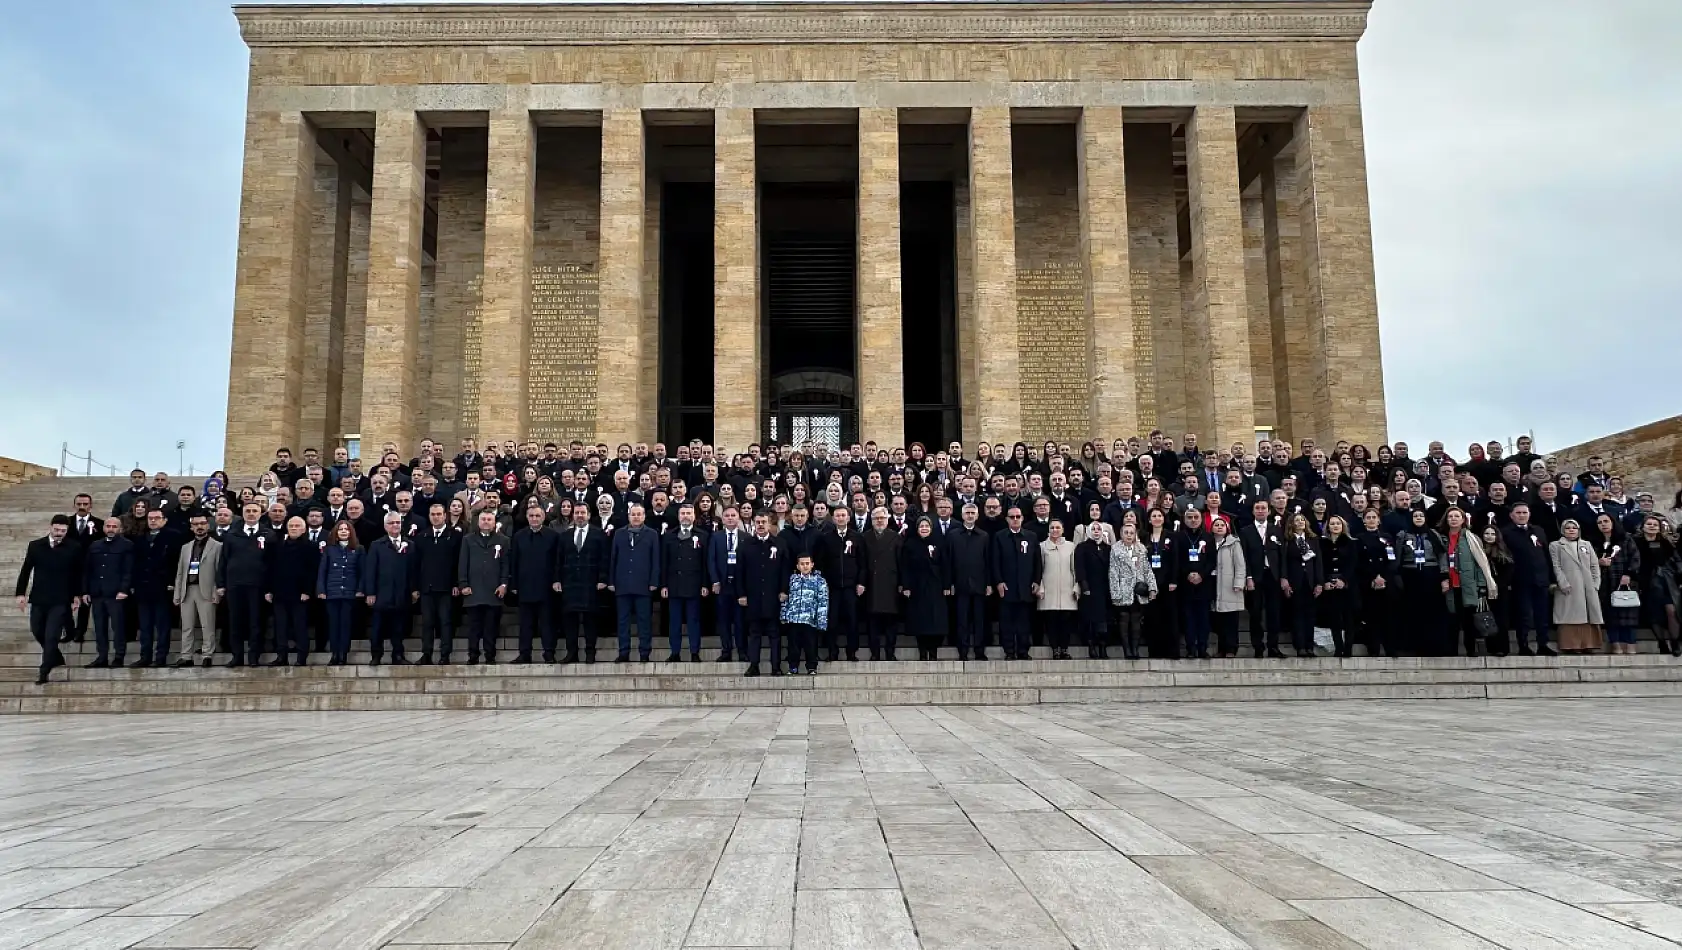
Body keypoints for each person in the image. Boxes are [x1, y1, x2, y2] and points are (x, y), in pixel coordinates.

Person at [216, 502, 270, 668]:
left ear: (261, 514)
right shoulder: (232, 535)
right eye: (248, 511)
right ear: (243, 514)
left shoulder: (269, 534)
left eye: (255, 511)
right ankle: (237, 656)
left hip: (258, 586)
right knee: (235, 622)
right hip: (235, 585)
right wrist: (221, 584)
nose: (252, 514)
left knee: (256, 622)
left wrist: (269, 587)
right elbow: (223, 561)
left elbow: (272, 563)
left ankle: (254, 656)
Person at [811, 506, 867, 662]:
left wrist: (861, 582)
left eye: (843, 515)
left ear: (848, 518)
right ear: (833, 518)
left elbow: (863, 563)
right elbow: (821, 563)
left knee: (852, 621)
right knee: (832, 621)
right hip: (832, 587)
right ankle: (832, 651)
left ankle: (851, 652)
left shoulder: (857, 537)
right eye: (838, 516)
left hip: (851, 587)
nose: (841, 518)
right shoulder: (826, 538)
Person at [509, 505, 562, 663]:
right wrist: (514, 584)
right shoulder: (519, 536)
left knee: (547, 623)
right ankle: (525, 653)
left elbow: (557, 561)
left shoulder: (553, 536)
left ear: (543, 517)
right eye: (531, 516)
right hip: (525, 587)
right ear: (527, 517)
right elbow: (514, 561)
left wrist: (556, 580)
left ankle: (549, 652)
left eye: (537, 516)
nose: (534, 519)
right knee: (525, 624)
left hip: (546, 587)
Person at [608, 504, 661, 663]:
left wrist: (654, 581)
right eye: (633, 514)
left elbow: (655, 559)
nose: (636, 517)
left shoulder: (652, 534)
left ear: (644, 516)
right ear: (629, 516)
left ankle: (644, 652)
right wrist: (611, 580)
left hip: (643, 584)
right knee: (623, 621)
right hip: (622, 584)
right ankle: (623, 652)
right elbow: (613, 558)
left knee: (644, 620)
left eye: (639, 514)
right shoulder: (619, 534)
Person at [1502, 502, 1556, 656]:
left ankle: (1543, 644)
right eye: (1518, 513)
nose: (1521, 515)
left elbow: (1546, 554)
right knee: (1524, 615)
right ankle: (1523, 645)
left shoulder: (1538, 530)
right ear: (1512, 515)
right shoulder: (1506, 533)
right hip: (1520, 580)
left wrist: (1551, 578)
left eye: (1524, 512)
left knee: (1542, 614)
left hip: (1541, 579)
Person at [557, 503, 609, 663]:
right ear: (573, 515)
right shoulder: (565, 536)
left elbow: (605, 558)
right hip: (570, 583)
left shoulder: (599, 534)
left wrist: (603, 579)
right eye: (577, 513)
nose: (579, 515)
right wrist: (557, 579)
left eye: (583, 513)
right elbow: (558, 560)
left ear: (588, 515)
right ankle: (571, 652)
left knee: (590, 619)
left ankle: (590, 652)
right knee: (570, 619)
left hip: (591, 583)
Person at [363, 511, 416, 665]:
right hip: (381, 593)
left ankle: (398, 655)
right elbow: (370, 570)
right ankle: (376, 656)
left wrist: (413, 589)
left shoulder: (410, 545)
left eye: (398, 523)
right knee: (377, 628)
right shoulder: (376, 545)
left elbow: (413, 569)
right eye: (392, 523)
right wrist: (370, 592)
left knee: (398, 628)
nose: (395, 526)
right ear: (385, 526)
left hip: (401, 594)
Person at [740, 512, 789, 676]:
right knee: (754, 633)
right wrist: (741, 594)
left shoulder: (779, 544)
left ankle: (776, 667)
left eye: (764, 522)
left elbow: (785, 570)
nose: (760, 525)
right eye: (758, 522)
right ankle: (754, 665)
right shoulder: (746, 544)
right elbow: (739, 571)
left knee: (774, 634)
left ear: (770, 525)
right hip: (752, 597)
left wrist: (784, 590)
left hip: (773, 596)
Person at [458, 508, 510, 664]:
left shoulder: (504, 540)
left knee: (491, 627)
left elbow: (505, 564)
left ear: (494, 522)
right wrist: (463, 584)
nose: (486, 522)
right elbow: (463, 563)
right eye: (483, 519)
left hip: (494, 591)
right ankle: (473, 655)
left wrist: (503, 584)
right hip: (473, 590)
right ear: (478, 522)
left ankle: (490, 655)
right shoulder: (468, 540)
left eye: (489, 519)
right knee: (474, 627)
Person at [1441, 507, 1493, 658]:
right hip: (1450, 585)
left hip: (1468, 585)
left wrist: (1481, 585)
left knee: (1469, 620)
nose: (1453, 519)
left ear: (1463, 520)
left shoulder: (1472, 538)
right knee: (1452, 620)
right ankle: (1451, 650)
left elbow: (1480, 563)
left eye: (1457, 516)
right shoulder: (1442, 537)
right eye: (1450, 516)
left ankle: (1471, 650)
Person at [81, 517, 133, 668]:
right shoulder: (95, 545)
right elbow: (87, 570)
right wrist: (85, 591)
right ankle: (102, 656)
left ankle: (119, 656)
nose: (111, 529)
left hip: (116, 593)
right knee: (99, 627)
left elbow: (128, 570)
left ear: (120, 529)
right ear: (103, 528)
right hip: (97, 593)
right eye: (108, 526)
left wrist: (124, 589)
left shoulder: (127, 545)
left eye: (114, 526)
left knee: (118, 627)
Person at [414, 503, 463, 664]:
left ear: (445, 515)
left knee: (445, 622)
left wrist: (457, 583)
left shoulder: (455, 536)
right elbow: (416, 564)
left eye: (439, 514)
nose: (436, 517)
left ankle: (445, 654)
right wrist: (416, 587)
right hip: (427, 588)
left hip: (447, 588)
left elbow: (458, 562)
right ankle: (426, 653)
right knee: (427, 623)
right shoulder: (422, 537)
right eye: (433, 514)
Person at [267, 517, 318, 667]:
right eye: (291, 525)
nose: (294, 528)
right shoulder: (278, 546)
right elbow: (271, 569)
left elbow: (312, 571)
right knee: (280, 626)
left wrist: (307, 591)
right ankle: (281, 656)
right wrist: (269, 590)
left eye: (297, 526)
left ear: (304, 529)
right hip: (279, 593)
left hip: (300, 594)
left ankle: (301, 657)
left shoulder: (310, 547)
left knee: (299, 626)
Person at [172, 513, 223, 668]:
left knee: (207, 624)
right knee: (187, 625)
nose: (199, 527)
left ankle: (207, 654)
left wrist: (216, 591)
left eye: (202, 523)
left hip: (206, 590)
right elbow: (180, 571)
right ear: (191, 527)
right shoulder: (186, 547)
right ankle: (186, 656)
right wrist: (177, 593)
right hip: (187, 589)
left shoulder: (217, 546)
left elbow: (219, 570)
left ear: (208, 525)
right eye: (196, 524)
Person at [991, 506, 1041, 660]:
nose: (1015, 519)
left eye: (1017, 516)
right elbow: (995, 561)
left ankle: (1023, 651)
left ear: (1022, 518)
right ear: (1007, 519)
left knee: (1024, 621)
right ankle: (1009, 651)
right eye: (1011, 517)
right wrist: (998, 581)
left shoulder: (1031, 536)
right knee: (1007, 622)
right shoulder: (1000, 536)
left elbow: (1037, 561)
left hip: (1026, 587)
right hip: (1007, 587)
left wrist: (1036, 581)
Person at [661, 503, 709, 662]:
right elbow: (664, 563)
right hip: (674, 585)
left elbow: (705, 563)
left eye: (689, 513)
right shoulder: (669, 535)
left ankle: (695, 652)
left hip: (694, 585)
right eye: (683, 513)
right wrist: (664, 585)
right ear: (678, 516)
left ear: (694, 516)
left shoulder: (702, 535)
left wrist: (704, 584)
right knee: (674, 621)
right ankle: (675, 652)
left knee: (693, 620)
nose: (686, 516)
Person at [1396, 508, 1447, 658]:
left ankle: (1433, 647)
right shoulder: (1403, 535)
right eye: (1415, 516)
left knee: (1431, 612)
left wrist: (1444, 576)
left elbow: (1442, 555)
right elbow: (1397, 556)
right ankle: (1412, 647)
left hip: (1430, 575)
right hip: (1410, 575)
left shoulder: (1433, 534)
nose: (1418, 518)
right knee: (1412, 612)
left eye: (1421, 516)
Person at [900, 516, 951, 660]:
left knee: (936, 620)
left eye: (926, 526)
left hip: (936, 586)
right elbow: (905, 567)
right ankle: (922, 651)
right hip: (917, 587)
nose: (924, 529)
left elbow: (946, 565)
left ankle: (933, 650)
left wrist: (947, 585)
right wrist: (906, 586)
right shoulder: (910, 544)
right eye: (921, 526)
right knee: (920, 620)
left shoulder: (939, 543)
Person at [1239, 499, 1285, 659]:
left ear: (1269, 511)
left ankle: (1274, 647)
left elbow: (1282, 556)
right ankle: (1258, 646)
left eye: (1263, 508)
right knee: (1255, 613)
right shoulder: (1246, 531)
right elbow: (1243, 556)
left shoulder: (1276, 530)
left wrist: (1283, 577)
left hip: (1273, 576)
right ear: (1253, 511)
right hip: (1255, 577)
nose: (1260, 511)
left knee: (1274, 613)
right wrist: (1248, 577)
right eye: (1257, 508)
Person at [1550, 519, 1604, 654]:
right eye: (1568, 528)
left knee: (1588, 614)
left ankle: (1588, 644)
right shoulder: (1556, 545)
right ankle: (1571, 645)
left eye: (1574, 528)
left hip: (1587, 585)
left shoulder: (1586, 544)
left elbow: (1594, 565)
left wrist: (1596, 583)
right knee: (1570, 615)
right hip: (1569, 585)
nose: (1571, 530)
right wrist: (1562, 583)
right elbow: (1556, 566)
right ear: (1563, 530)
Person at [946, 502, 991, 661]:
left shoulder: (984, 536)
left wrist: (989, 584)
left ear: (977, 515)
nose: (970, 515)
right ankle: (963, 651)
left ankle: (979, 651)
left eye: (973, 513)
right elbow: (949, 560)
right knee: (962, 620)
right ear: (962, 515)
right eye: (967, 513)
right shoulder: (953, 535)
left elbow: (988, 561)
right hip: (960, 584)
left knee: (979, 620)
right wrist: (949, 583)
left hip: (979, 584)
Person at [1590, 513, 1640, 655]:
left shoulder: (1625, 538)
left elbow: (1635, 557)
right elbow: (1589, 561)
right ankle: (1616, 644)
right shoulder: (1594, 542)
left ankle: (1630, 644)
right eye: (1600, 522)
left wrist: (1629, 574)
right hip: (1605, 583)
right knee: (1610, 615)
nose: (1603, 524)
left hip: (1624, 580)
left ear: (1612, 522)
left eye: (1606, 521)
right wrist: (1599, 562)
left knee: (1628, 614)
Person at [1107, 522, 1156, 660]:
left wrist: (1152, 588)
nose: (1129, 535)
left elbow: (1147, 570)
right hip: (1123, 589)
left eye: (1131, 533)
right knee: (1124, 619)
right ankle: (1127, 650)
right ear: (1121, 534)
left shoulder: (1141, 549)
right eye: (1126, 532)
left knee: (1136, 621)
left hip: (1138, 591)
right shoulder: (1116, 550)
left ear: (1136, 534)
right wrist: (1115, 593)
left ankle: (1135, 649)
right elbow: (1113, 572)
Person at [316, 520, 361, 665]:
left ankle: (343, 654)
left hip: (349, 593)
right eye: (340, 529)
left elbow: (362, 572)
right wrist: (321, 590)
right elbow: (323, 571)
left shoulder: (359, 549)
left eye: (346, 529)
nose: (343, 531)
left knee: (345, 624)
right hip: (332, 593)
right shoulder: (329, 550)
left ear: (350, 532)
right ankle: (334, 653)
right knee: (333, 624)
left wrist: (360, 589)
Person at [708, 505, 749, 663]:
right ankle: (726, 650)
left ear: (738, 518)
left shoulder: (745, 537)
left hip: (739, 587)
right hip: (722, 585)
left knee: (740, 621)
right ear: (723, 519)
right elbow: (711, 560)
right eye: (727, 516)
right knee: (723, 621)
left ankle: (742, 651)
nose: (730, 518)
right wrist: (715, 581)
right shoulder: (716, 537)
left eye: (733, 515)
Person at [862, 507, 903, 660]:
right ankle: (875, 653)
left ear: (887, 519)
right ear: (871, 520)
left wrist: (901, 583)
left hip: (891, 585)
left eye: (882, 518)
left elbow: (901, 563)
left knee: (891, 622)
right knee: (873, 622)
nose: (879, 521)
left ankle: (890, 653)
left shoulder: (895, 537)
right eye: (876, 518)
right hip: (872, 584)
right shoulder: (865, 537)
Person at [1279, 513, 1323, 658]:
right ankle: (1300, 647)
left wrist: (1319, 583)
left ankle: (1309, 646)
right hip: (1295, 581)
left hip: (1310, 582)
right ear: (1291, 524)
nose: (1300, 522)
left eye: (1302, 520)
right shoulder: (1288, 540)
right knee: (1297, 614)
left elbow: (1318, 563)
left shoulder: (1313, 539)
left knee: (1310, 615)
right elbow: (1284, 561)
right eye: (1296, 520)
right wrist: (1284, 579)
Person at [1035, 518, 1079, 660]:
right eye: (1052, 528)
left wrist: (1076, 587)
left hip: (1067, 589)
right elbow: (1038, 569)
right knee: (1051, 622)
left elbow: (1075, 569)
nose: (1055, 530)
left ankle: (1064, 649)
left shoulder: (1071, 546)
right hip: (1049, 590)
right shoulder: (1042, 546)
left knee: (1065, 622)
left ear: (1063, 530)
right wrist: (1040, 587)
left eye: (1058, 528)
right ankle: (1055, 649)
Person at [1315, 515, 1358, 658]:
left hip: (1346, 586)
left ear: (1343, 526)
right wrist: (1324, 582)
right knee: (1334, 619)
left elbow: (1353, 565)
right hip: (1329, 585)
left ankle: (1348, 648)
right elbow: (1320, 564)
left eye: (1338, 523)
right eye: (1332, 524)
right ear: (1327, 527)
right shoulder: (1321, 544)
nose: (1335, 526)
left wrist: (1344, 580)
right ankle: (1338, 647)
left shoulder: (1351, 543)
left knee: (1348, 619)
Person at [780, 553, 828, 674]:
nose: (805, 566)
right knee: (793, 645)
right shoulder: (792, 580)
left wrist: (821, 620)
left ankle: (811, 666)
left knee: (810, 644)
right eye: (802, 564)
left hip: (810, 619)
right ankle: (793, 667)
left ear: (812, 565)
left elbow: (823, 602)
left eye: (807, 563)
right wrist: (784, 615)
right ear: (797, 566)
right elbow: (786, 598)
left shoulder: (819, 581)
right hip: (794, 618)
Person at [1176, 508, 1214, 659]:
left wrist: (1201, 575)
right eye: (1189, 517)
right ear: (1185, 520)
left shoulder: (1208, 537)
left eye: (1196, 517)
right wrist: (1188, 574)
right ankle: (1190, 648)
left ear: (1201, 519)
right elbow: (1177, 559)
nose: (1193, 520)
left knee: (1204, 618)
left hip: (1204, 584)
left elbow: (1211, 560)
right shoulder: (1179, 537)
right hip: (1186, 584)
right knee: (1188, 618)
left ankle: (1203, 647)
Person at [1074, 521, 1112, 658]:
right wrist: (1084, 586)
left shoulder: (1107, 548)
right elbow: (1080, 567)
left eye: (1098, 529)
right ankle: (1091, 646)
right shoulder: (1082, 547)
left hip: (1104, 588)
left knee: (1103, 620)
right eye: (1093, 529)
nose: (1096, 531)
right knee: (1090, 619)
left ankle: (1103, 646)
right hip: (1089, 588)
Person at [1210, 517, 1246, 658]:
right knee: (1218, 620)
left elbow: (1240, 564)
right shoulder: (1207, 543)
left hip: (1229, 586)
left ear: (1227, 528)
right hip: (1213, 584)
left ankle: (1231, 648)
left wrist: (1239, 583)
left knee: (1230, 619)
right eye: (1216, 525)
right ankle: (1221, 648)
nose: (1219, 527)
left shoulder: (1234, 543)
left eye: (1222, 525)